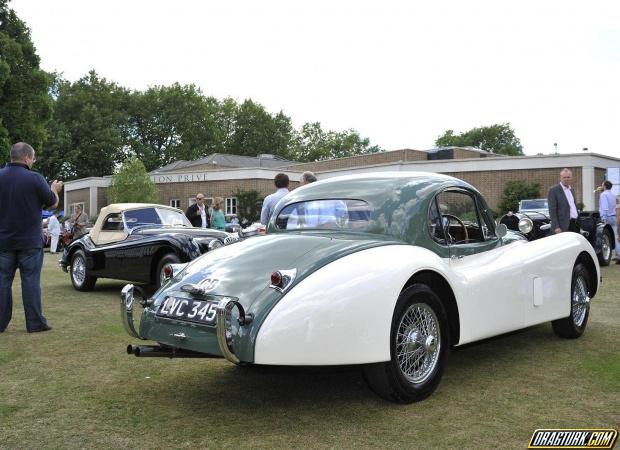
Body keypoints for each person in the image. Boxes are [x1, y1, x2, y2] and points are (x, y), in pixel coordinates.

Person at [0, 142, 63, 333]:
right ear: (27, 157)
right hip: (29, 242)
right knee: (30, 282)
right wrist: (54, 189)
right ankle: (35, 323)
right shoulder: (35, 178)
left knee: (2, 282)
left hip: (3, 242)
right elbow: (52, 204)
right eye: (33, 158)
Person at [548, 168, 579, 233]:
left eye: (568, 177)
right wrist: (556, 227)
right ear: (560, 178)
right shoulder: (554, 190)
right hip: (562, 226)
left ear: (571, 178)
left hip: (575, 224)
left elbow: (573, 207)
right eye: (564, 177)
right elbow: (552, 211)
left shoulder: (572, 190)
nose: (566, 179)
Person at [598, 180, 620, 264]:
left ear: (605, 186)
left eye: (602, 185)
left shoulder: (603, 194)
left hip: (607, 217)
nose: (601, 186)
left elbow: (605, 207)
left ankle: (606, 254)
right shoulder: (613, 195)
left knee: (606, 238)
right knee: (615, 237)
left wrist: (604, 218)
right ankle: (619, 255)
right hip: (613, 216)